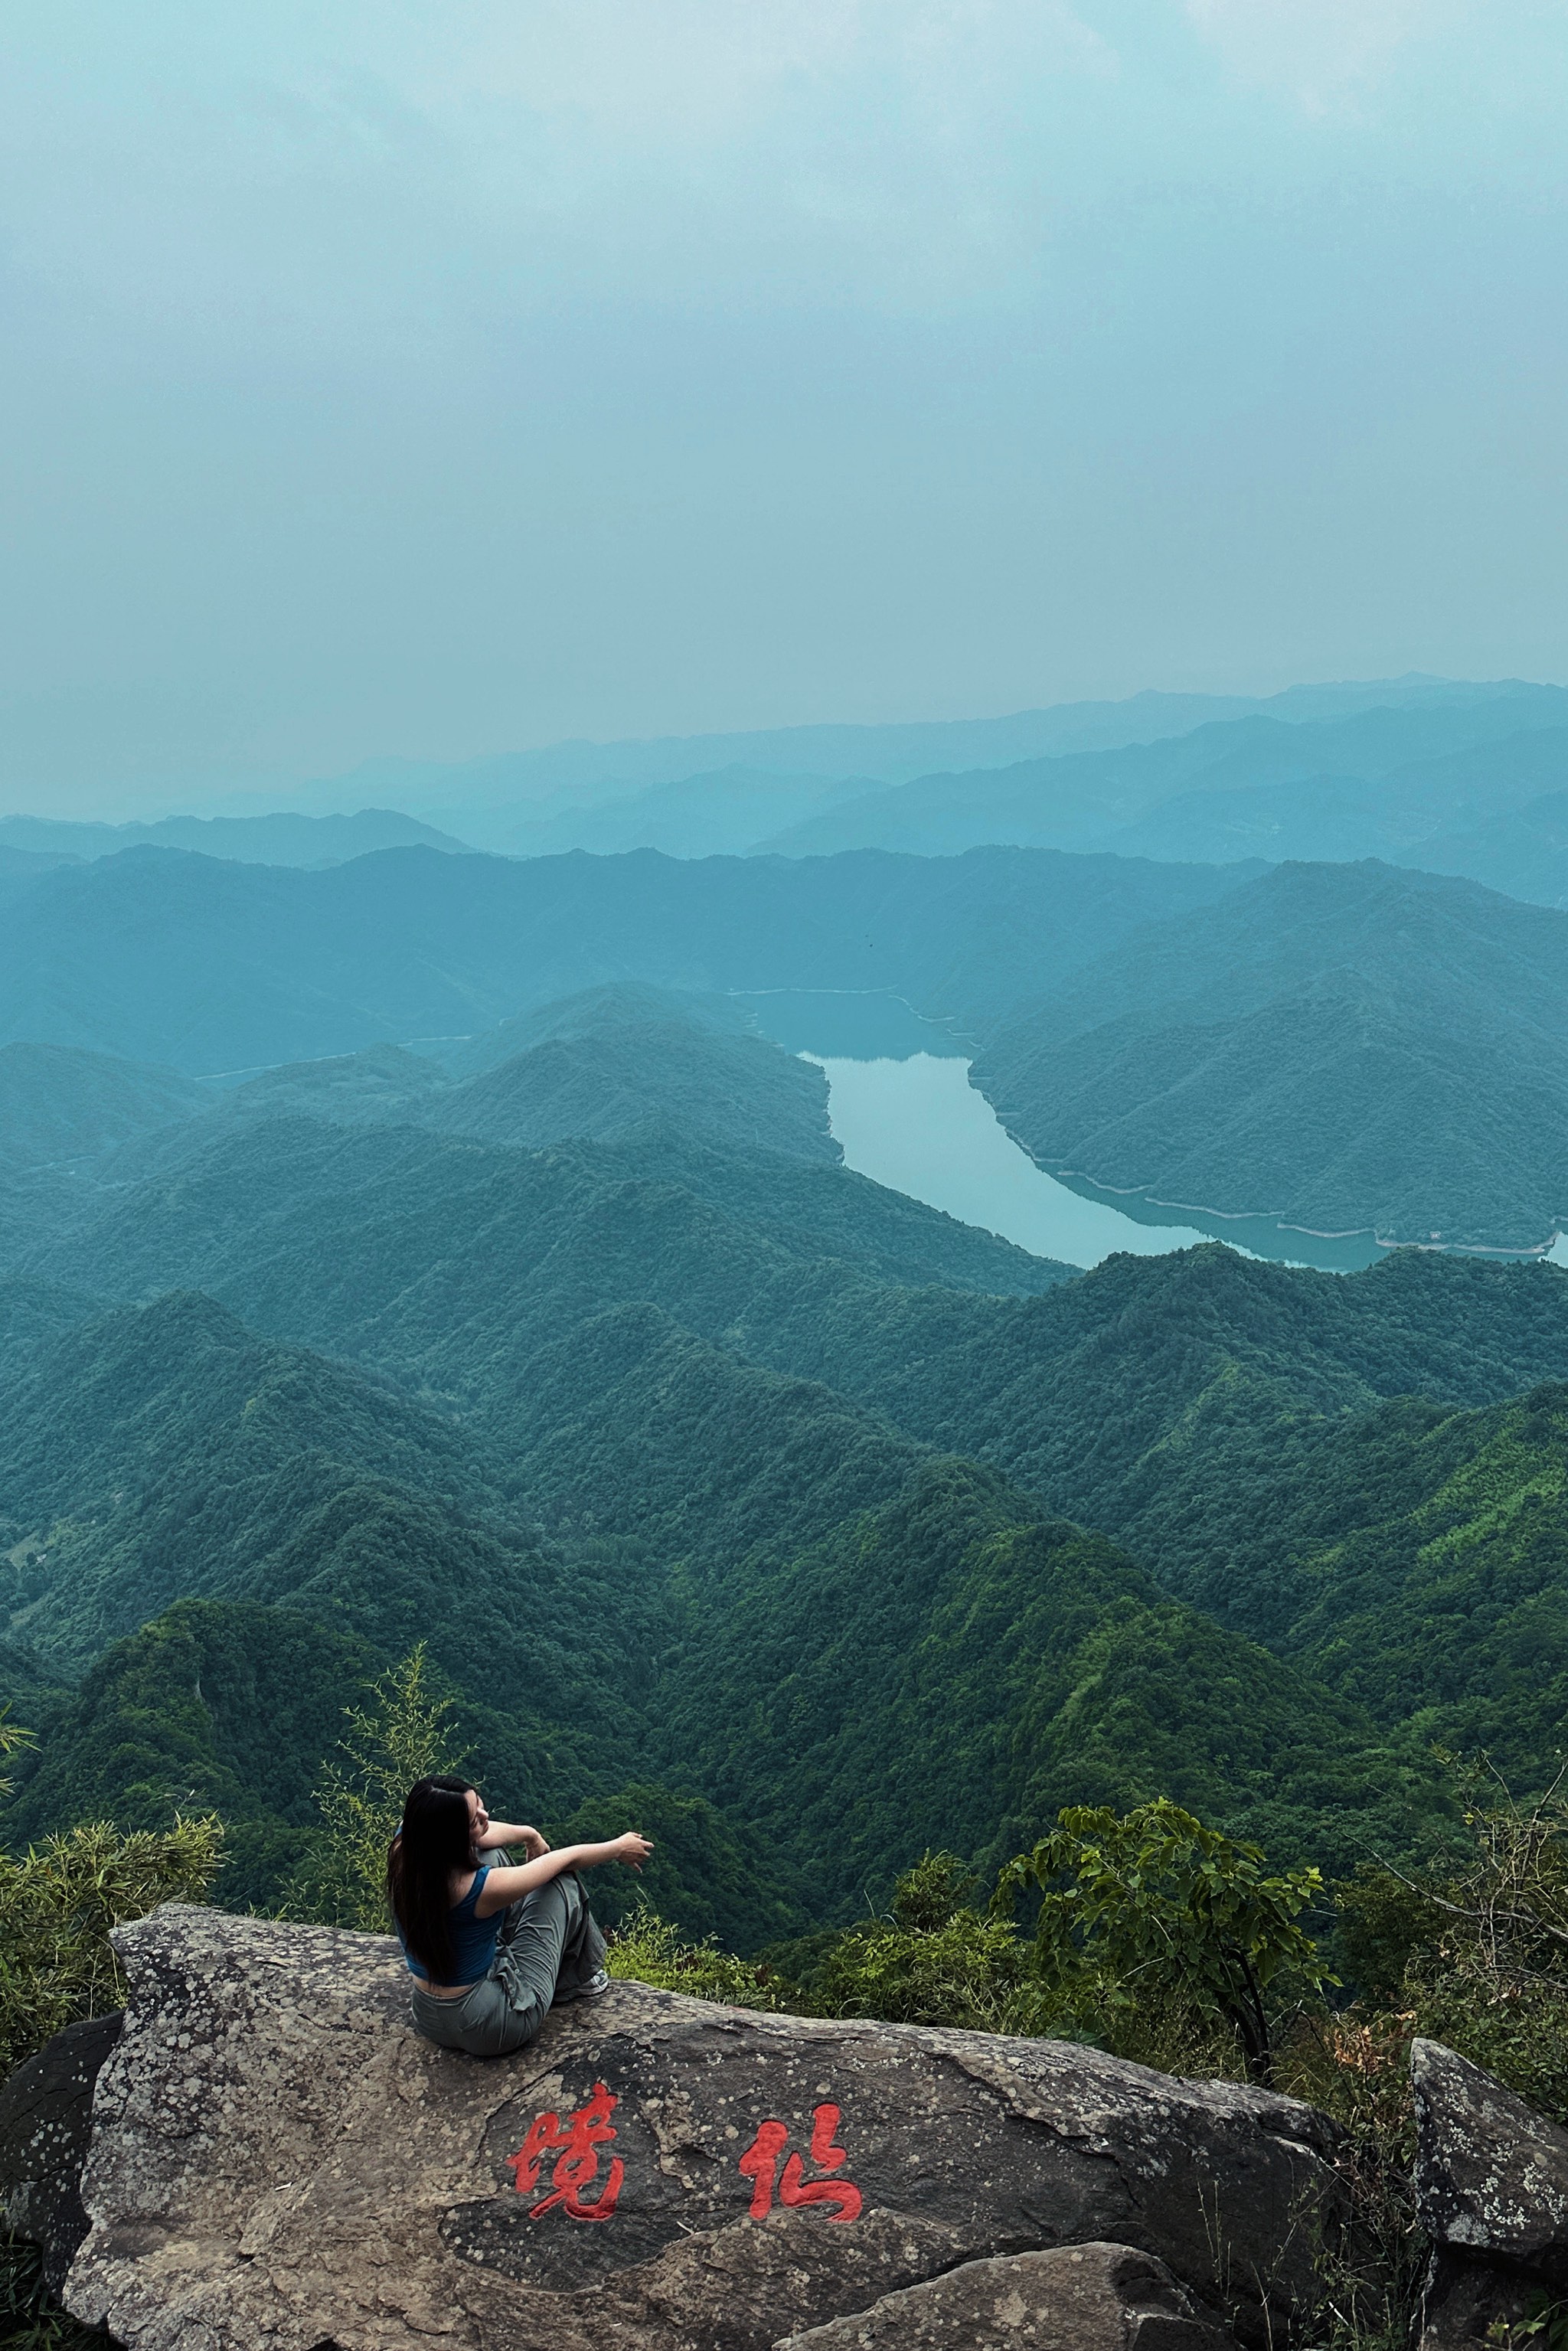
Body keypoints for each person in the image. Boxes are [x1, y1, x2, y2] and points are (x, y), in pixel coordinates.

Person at [388, 1774, 653, 2057]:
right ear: (453, 1837)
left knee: (488, 1853)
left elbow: (483, 1836)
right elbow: (563, 1860)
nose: (485, 1815)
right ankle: (571, 1984)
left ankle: (519, 1959)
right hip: (492, 2027)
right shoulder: (482, 1888)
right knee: (561, 1884)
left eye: (479, 1804)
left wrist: (530, 1834)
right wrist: (617, 1848)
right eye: (474, 1819)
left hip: (428, 2017)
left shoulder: (406, 1846)